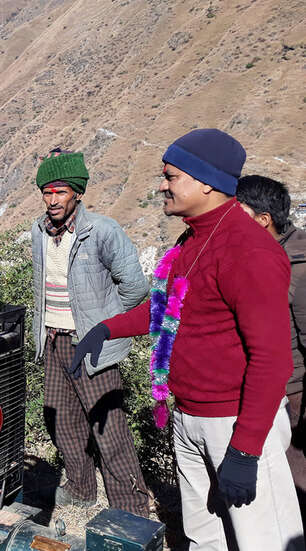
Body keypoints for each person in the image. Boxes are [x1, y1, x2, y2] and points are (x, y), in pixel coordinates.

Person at [71, 129, 304, 550]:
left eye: (170, 176)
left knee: (261, 540)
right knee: (204, 537)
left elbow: (271, 360)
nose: (162, 185)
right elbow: (167, 308)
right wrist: (107, 328)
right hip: (188, 417)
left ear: (206, 182)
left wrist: (245, 450)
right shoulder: (193, 238)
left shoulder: (249, 252)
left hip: (234, 423)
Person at [31, 150, 150, 516]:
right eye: (47, 193)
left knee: (108, 428)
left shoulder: (101, 230)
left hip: (91, 345)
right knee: (62, 422)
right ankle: (81, 489)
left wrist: (106, 325)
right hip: (54, 340)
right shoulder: (38, 231)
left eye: (61, 192)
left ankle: (130, 505)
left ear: (78, 194)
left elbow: (135, 287)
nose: (52, 201)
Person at [236, 174, 306, 524]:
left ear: (264, 220)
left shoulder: (297, 265)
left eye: (239, 213)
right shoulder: (258, 256)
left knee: (297, 485)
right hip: (268, 391)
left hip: (293, 393)